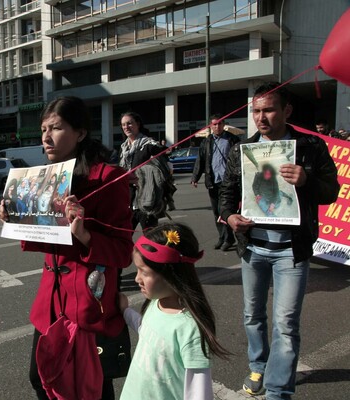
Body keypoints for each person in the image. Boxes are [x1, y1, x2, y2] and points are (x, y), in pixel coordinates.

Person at [0, 96, 133, 399]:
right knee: (42, 377)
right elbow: (43, 239)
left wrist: (85, 235)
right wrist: (14, 216)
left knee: (92, 384)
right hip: (51, 302)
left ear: (81, 133)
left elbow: (123, 252)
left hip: (86, 301)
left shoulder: (108, 178)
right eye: (44, 129)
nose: (46, 137)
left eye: (56, 128)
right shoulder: (44, 179)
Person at [219, 82, 340, 399]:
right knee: (252, 316)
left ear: (286, 110)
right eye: (256, 111)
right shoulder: (241, 150)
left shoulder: (309, 146)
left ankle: (278, 390)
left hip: (292, 252)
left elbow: (332, 191)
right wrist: (231, 217)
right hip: (252, 249)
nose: (261, 117)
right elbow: (227, 196)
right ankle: (258, 365)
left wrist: (307, 179)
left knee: (286, 324)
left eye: (268, 109)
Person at [118, 222, 230, 400]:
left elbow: (198, 393)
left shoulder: (189, 329)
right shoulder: (156, 304)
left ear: (171, 274)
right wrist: (126, 311)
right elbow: (148, 331)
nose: (137, 278)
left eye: (143, 272)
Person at [191, 113, 240, 252]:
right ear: (210, 126)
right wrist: (195, 177)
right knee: (217, 212)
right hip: (213, 182)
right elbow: (200, 160)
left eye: (219, 123)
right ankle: (222, 237)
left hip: (229, 183)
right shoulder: (206, 141)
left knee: (227, 211)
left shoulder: (232, 139)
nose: (217, 126)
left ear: (224, 124)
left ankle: (229, 238)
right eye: (214, 124)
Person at [118, 111, 162, 231]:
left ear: (137, 124)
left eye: (129, 123)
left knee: (151, 238)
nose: (126, 127)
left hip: (146, 200)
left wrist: (140, 178)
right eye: (123, 125)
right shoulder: (123, 148)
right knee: (123, 238)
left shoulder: (149, 145)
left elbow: (162, 168)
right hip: (128, 201)